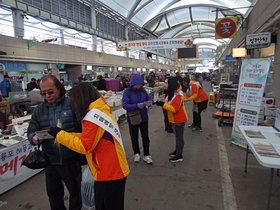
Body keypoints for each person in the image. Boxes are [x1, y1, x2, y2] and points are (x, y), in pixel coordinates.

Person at [48, 82, 130, 210]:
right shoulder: (100, 110)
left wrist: (60, 135)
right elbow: (89, 138)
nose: (73, 105)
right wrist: (68, 135)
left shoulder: (93, 117)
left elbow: (85, 146)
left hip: (108, 172)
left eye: (74, 100)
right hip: (112, 168)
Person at [27, 75, 83, 210]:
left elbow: (84, 128)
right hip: (50, 162)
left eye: (50, 92)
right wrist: (33, 138)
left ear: (59, 88)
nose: (47, 95)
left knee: (76, 194)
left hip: (71, 160)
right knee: (54, 195)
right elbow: (31, 131)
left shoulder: (72, 104)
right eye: (43, 93)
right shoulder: (39, 110)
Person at [155, 77, 188, 162]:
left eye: (166, 83)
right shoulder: (172, 92)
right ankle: (177, 151)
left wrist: (163, 104)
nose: (164, 84)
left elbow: (174, 109)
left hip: (179, 119)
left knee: (179, 137)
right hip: (174, 119)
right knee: (177, 136)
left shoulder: (178, 95)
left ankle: (179, 155)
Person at [122, 73, 153, 164]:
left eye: (140, 84)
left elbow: (148, 98)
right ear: (132, 83)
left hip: (144, 117)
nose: (138, 86)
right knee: (134, 137)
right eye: (137, 84)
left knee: (145, 137)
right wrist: (136, 106)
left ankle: (146, 154)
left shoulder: (143, 90)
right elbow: (125, 105)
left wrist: (149, 102)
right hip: (133, 119)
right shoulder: (127, 92)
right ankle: (136, 153)